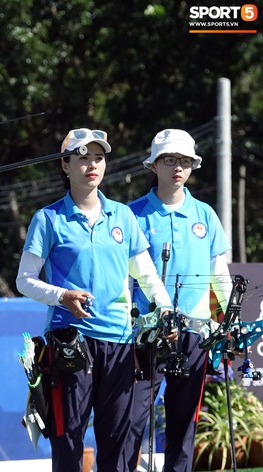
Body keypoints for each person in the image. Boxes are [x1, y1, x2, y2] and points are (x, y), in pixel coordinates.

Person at [15, 128, 173, 472]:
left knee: (116, 442)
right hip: (70, 343)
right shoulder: (47, 219)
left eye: (98, 158)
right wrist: (62, 296)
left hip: (120, 342)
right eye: (82, 158)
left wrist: (166, 311)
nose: (92, 165)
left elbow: (147, 276)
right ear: (65, 166)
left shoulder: (123, 216)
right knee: (68, 440)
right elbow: (24, 281)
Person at [125, 129, 233, 472]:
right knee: (130, 418)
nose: (177, 167)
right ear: (153, 165)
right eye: (169, 159)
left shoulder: (205, 215)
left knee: (183, 424)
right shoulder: (131, 214)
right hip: (144, 333)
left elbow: (220, 276)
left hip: (195, 334)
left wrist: (229, 322)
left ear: (192, 167)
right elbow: (123, 280)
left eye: (184, 161)